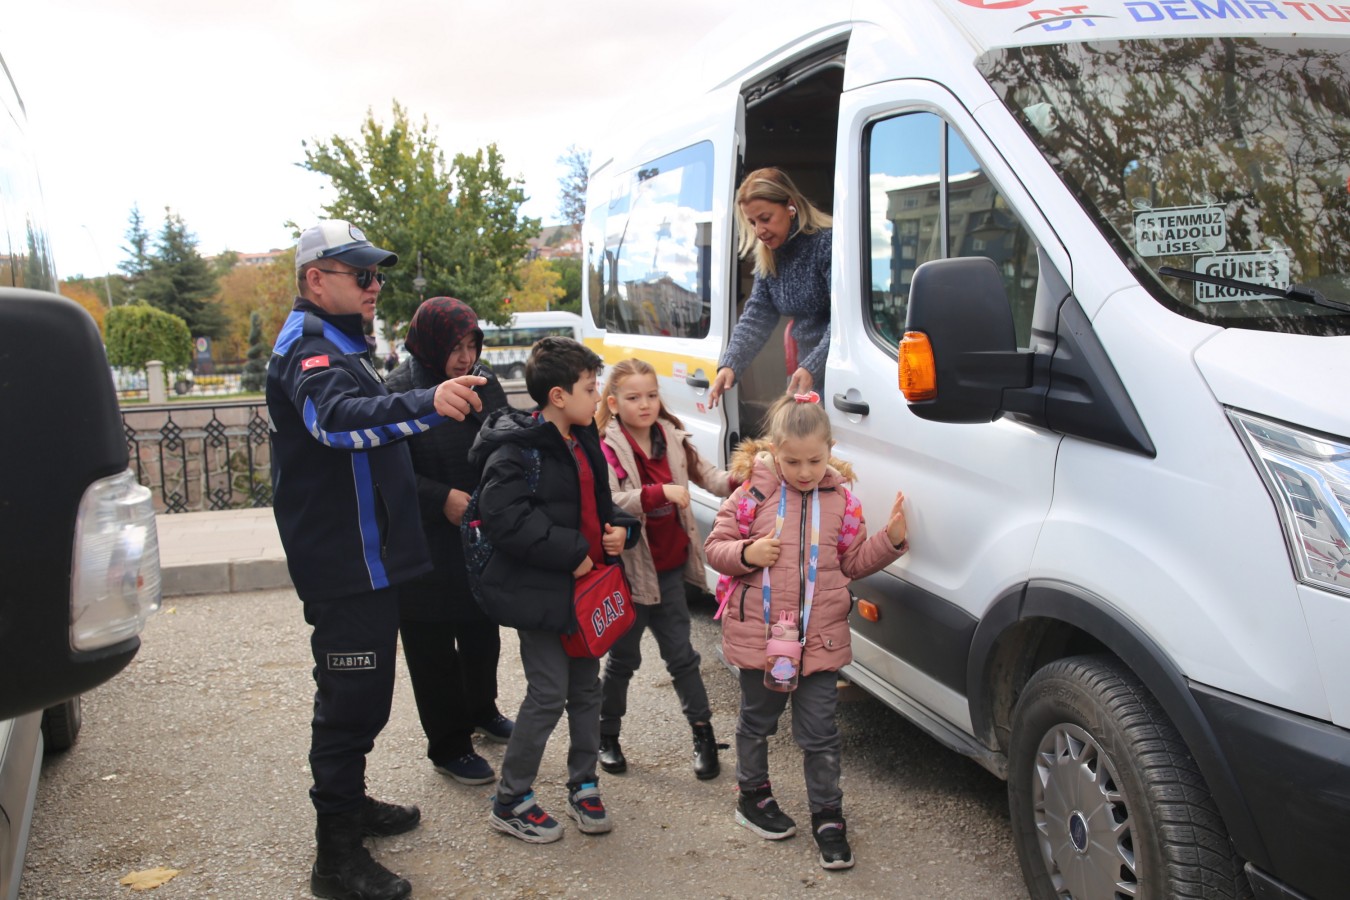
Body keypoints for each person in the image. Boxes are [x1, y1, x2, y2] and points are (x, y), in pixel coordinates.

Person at [267, 219, 485, 900]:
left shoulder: (340, 340)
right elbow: (336, 421)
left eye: (377, 276)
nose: (374, 286)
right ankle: (335, 858)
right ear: (315, 280)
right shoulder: (308, 348)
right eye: (360, 275)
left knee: (365, 700)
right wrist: (429, 402)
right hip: (343, 561)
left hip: (369, 556)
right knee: (349, 703)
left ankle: (351, 806)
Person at [703, 392, 908, 871]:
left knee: (820, 733)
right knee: (757, 721)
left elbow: (852, 562)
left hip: (819, 640)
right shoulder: (752, 494)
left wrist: (890, 541)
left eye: (814, 460)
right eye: (792, 461)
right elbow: (715, 547)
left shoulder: (843, 501)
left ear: (829, 450)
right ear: (774, 451)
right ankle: (753, 797)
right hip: (762, 638)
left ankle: (828, 816)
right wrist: (747, 554)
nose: (803, 471)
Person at [466, 336, 639, 844]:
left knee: (586, 689)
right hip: (540, 595)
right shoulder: (516, 449)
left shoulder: (583, 439)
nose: (598, 398)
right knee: (547, 693)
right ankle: (511, 799)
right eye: (590, 389)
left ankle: (584, 784)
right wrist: (571, 552)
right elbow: (504, 517)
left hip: (584, 593)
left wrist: (622, 530)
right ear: (559, 396)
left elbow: (600, 506)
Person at [384, 297, 515, 788]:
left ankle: (482, 709)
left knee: (482, 630)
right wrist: (440, 498)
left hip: (477, 531)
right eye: (455, 347)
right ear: (430, 344)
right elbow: (386, 472)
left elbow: (502, 433)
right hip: (421, 542)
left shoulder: (482, 379)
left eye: (472, 345)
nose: (465, 357)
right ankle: (448, 744)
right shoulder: (398, 391)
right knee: (432, 647)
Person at [595, 358, 736, 780]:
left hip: (671, 570)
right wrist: (658, 493)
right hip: (630, 576)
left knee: (683, 658)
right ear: (613, 403)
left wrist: (745, 477)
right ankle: (606, 735)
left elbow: (710, 477)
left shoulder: (671, 436)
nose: (645, 404)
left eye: (652, 395)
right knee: (622, 661)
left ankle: (703, 734)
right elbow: (608, 501)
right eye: (634, 397)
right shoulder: (606, 446)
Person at [707, 167, 833, 408]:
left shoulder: (826, 244)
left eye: (765, 219)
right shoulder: (770, 256)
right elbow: (756, 316)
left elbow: (842, 321)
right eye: (752, 222)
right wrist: (730, 364)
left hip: (835, 369)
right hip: (804, 372)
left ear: (791, 207)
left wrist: (813, 366)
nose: (758, 231)